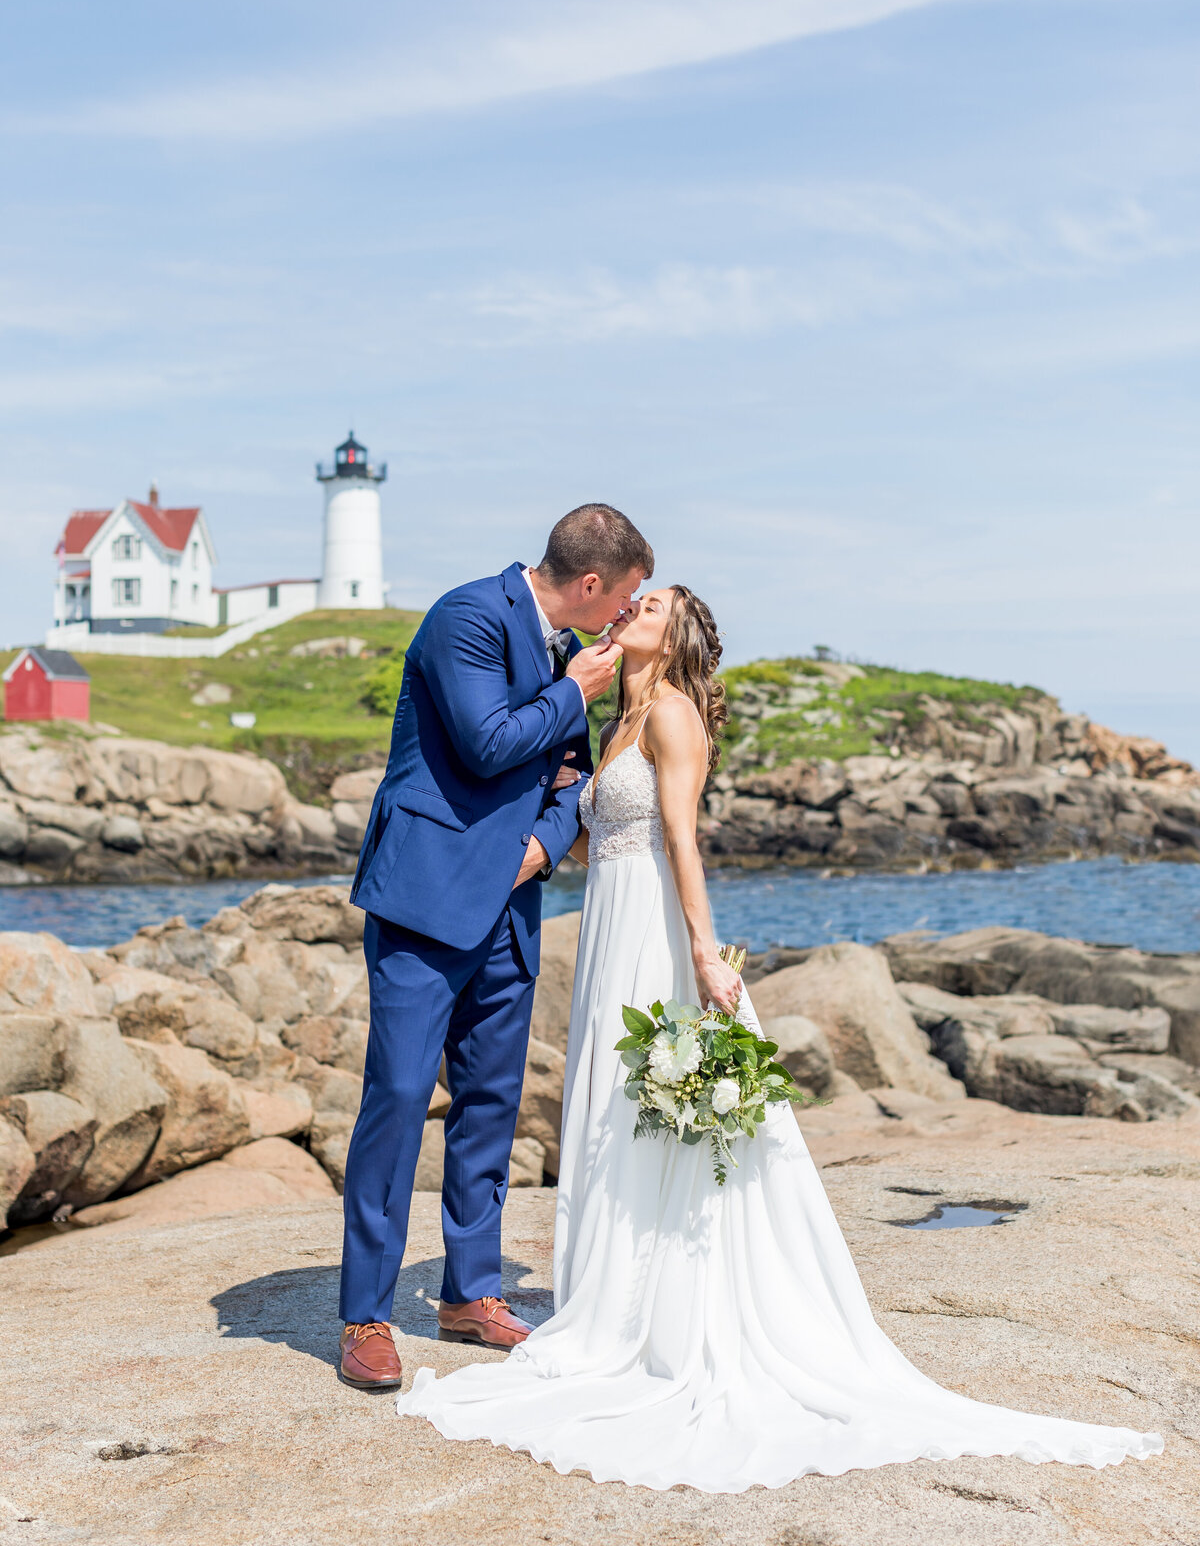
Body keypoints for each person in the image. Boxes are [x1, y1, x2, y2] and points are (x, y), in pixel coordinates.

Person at [394, 585, 1164, 1489]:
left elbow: (682, 840)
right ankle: (612, 1295)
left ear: (673, 635)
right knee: (612, 1109)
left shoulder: (675, 714)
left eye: (652, 605)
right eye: (632, 598)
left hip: (654, 932)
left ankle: (666, 1310)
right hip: (609, 926)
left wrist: (705, 956)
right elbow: (581, 816)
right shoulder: (616, 716)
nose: (632, 608)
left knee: (656, 1111)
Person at [336, 503, 653, 1391]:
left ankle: (468, 1291)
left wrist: (543, 848)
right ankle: (365, 1313)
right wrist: (579, 689)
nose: (629, 614)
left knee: (492, 1103)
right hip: (425, 899)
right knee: (397, 1098)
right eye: (626, 597)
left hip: (511, 906)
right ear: (592, 584)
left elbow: (569, 777)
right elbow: (484, 746)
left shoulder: (566, 654)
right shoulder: (466, 616)